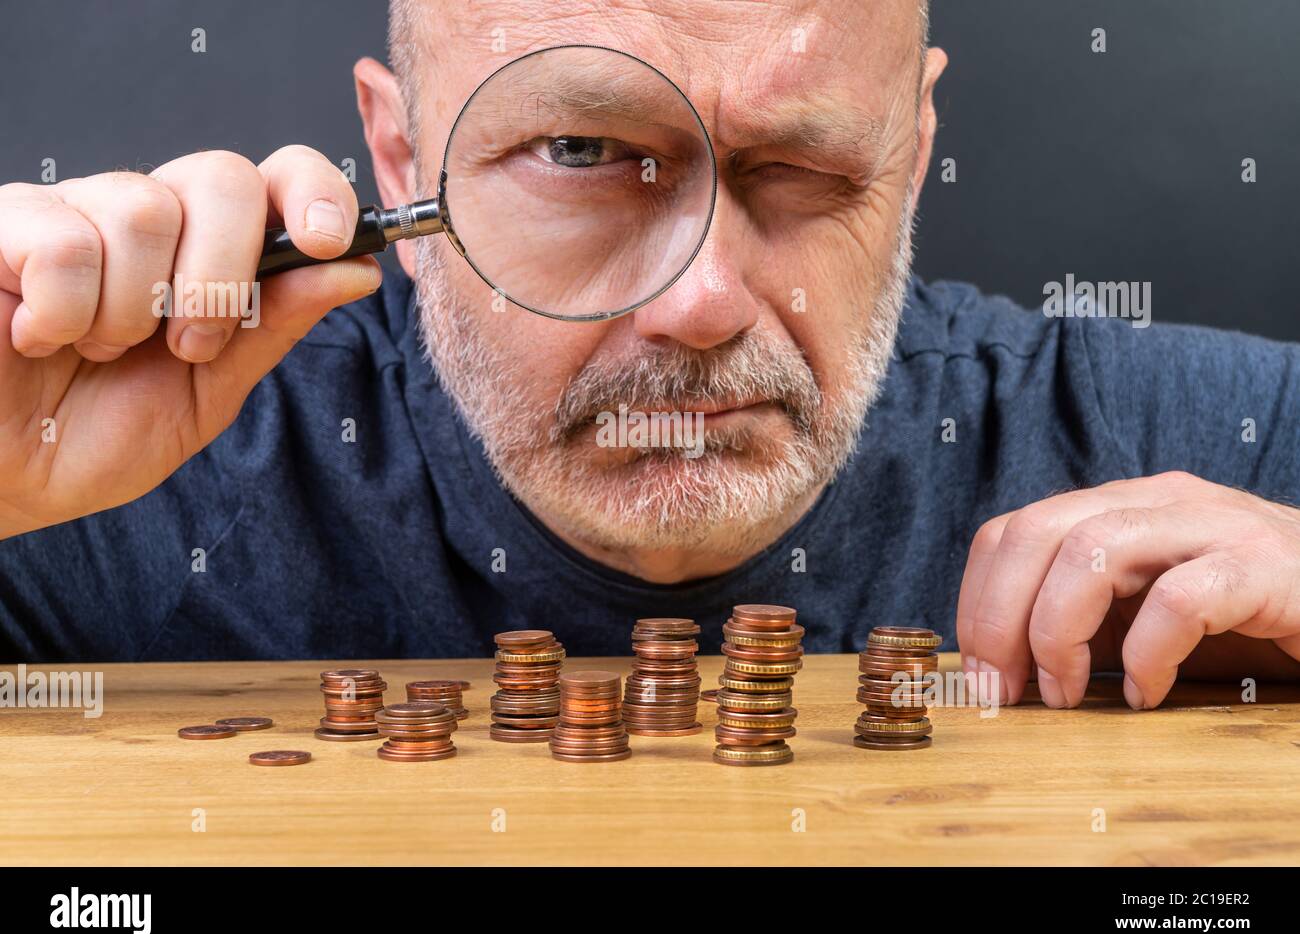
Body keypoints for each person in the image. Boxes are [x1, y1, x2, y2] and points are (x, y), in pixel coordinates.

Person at [1, 0, 1298, 712]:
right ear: (400, 164)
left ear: (912, 149)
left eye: (806, 167)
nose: (704, 300)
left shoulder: (1208, 447)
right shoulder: (109, 481)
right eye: (580, 153)